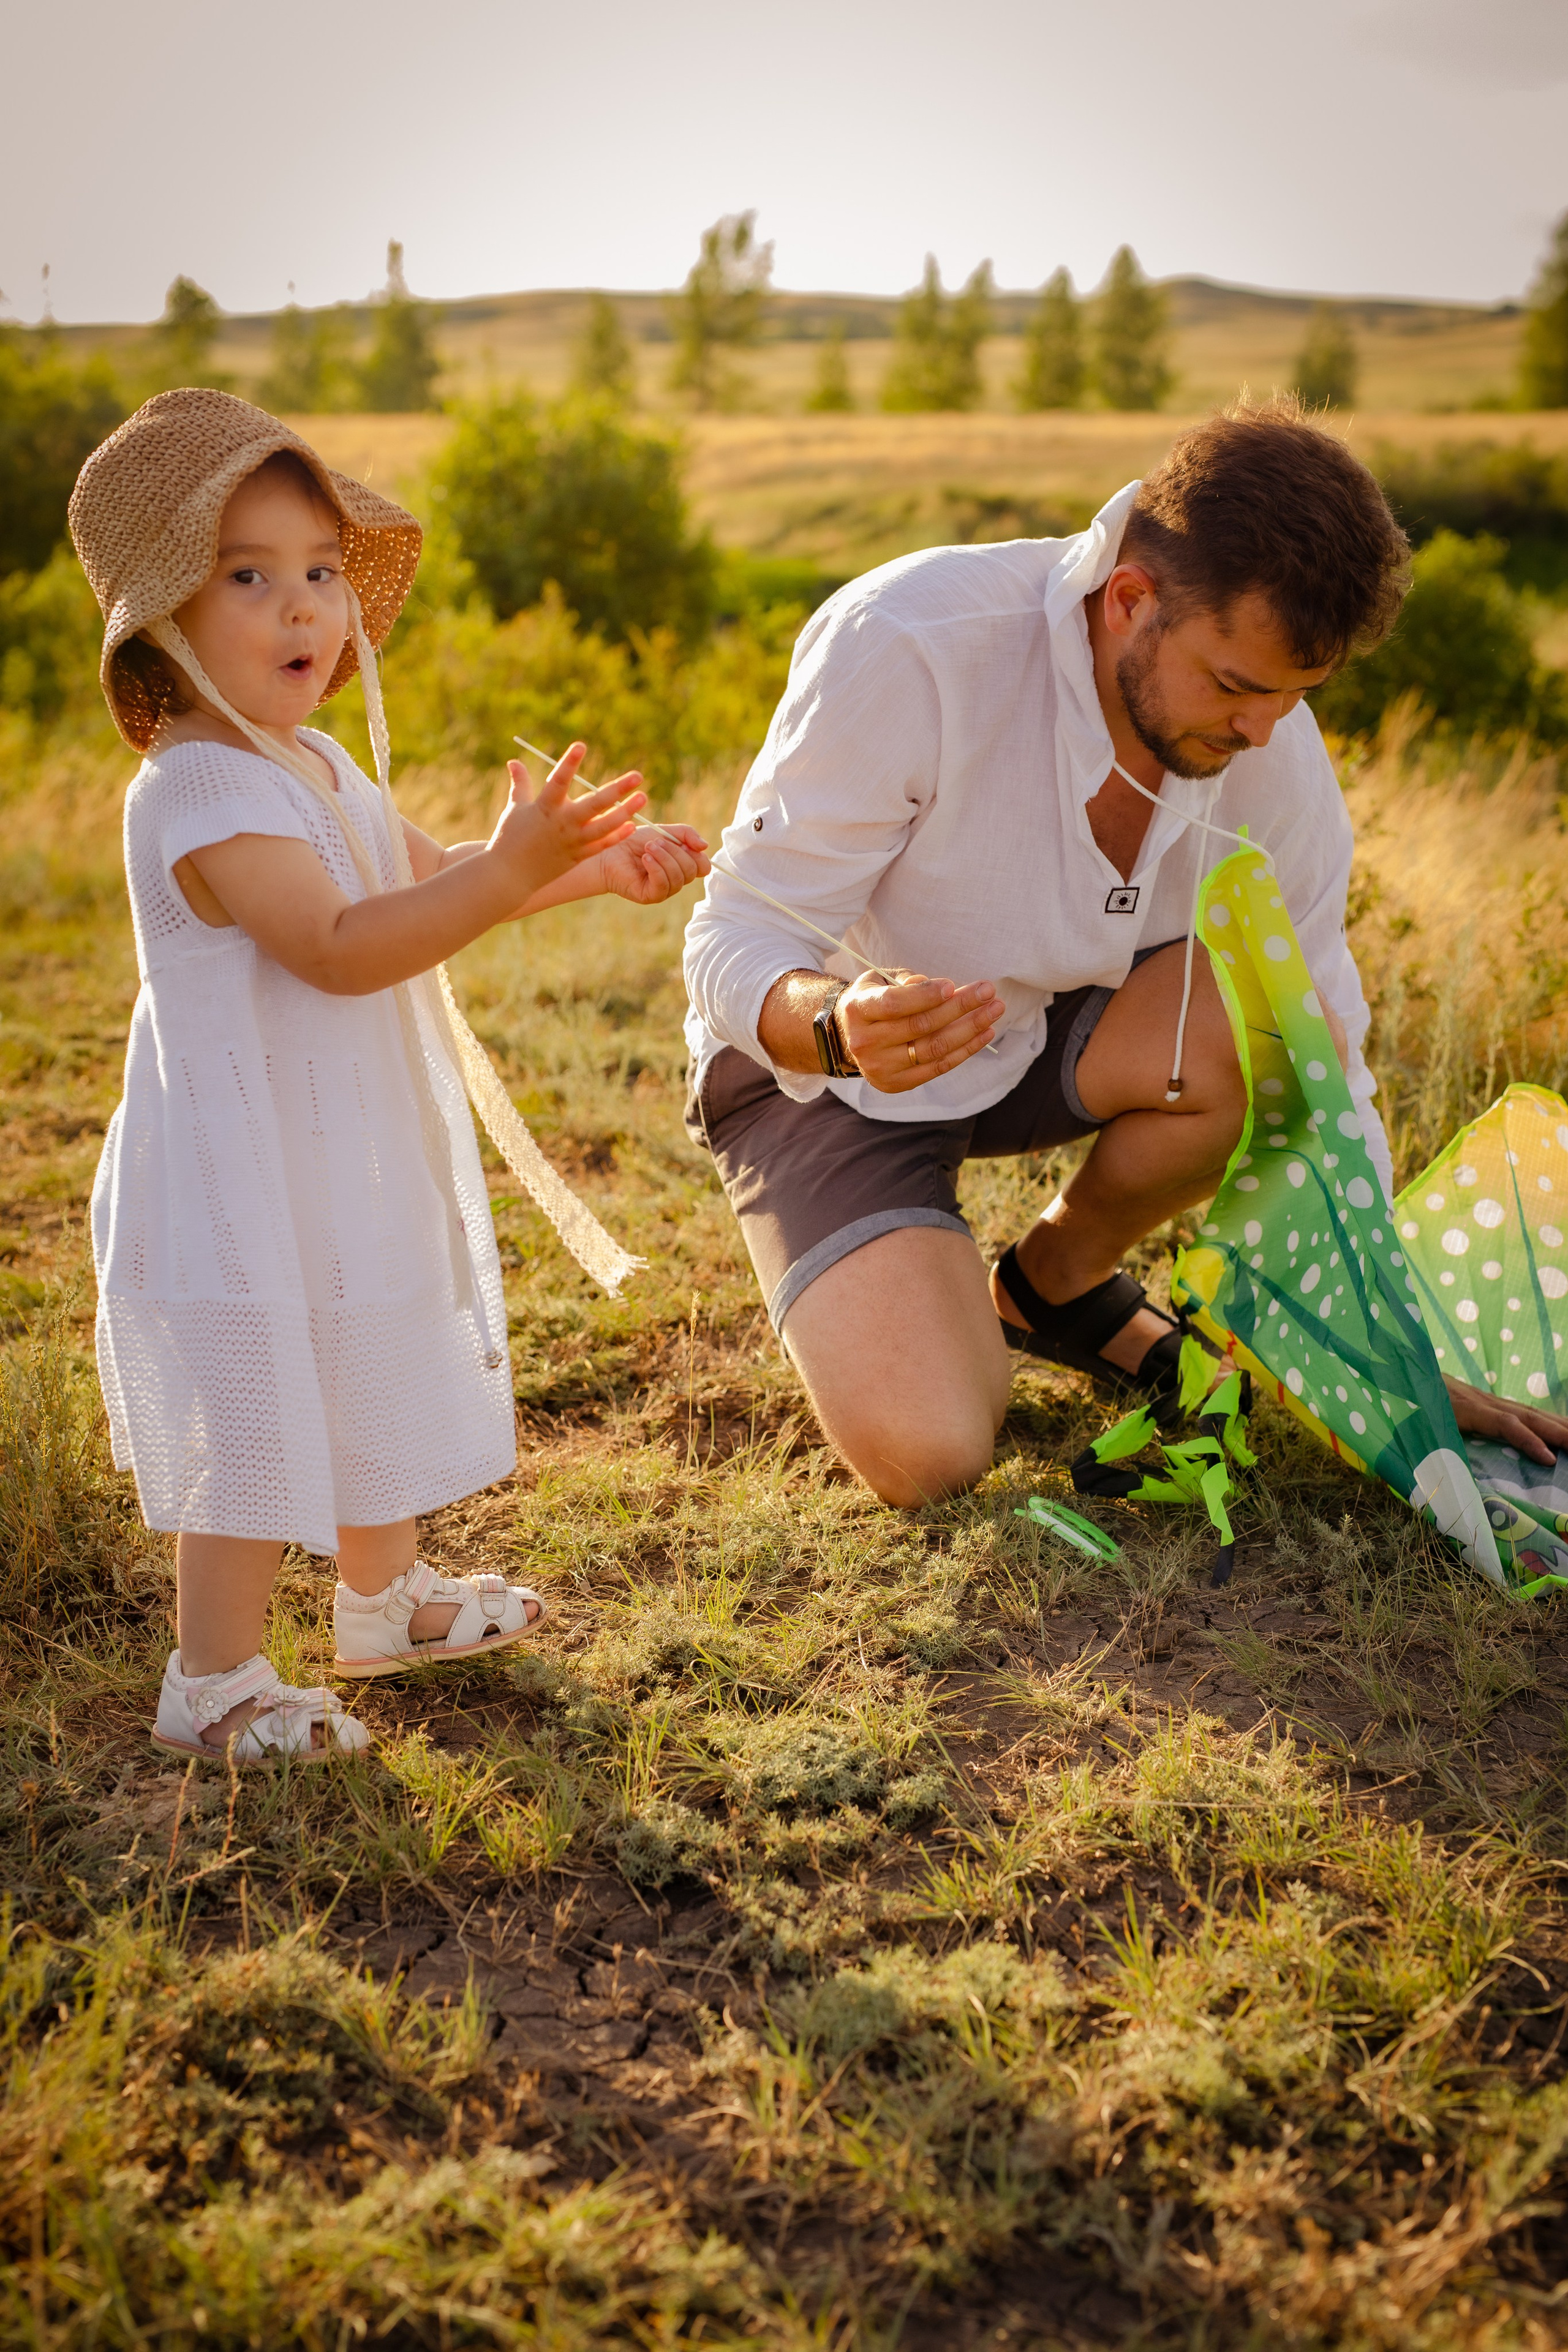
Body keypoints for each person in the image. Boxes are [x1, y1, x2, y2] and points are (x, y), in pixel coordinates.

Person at [682, 398, 1568, 1506]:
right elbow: (732, 933)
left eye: (1297, 695)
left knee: (1269, 1033)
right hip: (829, 1072)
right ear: (1130, 599)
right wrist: (833, 1024)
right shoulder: (909, 643)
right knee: (934, 1453)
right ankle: (907, 1275)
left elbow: (1323, 1051)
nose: (1262, 731)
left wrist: (1392, 1349)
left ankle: (1053, 1284)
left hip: (1046, 1037)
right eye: (1236, 686)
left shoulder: (1270, 742)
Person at [69, 389, 708, 1761]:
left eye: (320, 571)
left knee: (365, 1346)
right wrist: (507, 870)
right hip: (239, 1172)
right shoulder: (200, 787)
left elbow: (425, 880)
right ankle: (213, 1681)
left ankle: (381, 1598)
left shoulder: (308, 760)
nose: (303, 605)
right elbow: (342, 946)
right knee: (254, 1403)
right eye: (249, 576)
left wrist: (584, 868)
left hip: (330, 1152)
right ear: (163, 622)